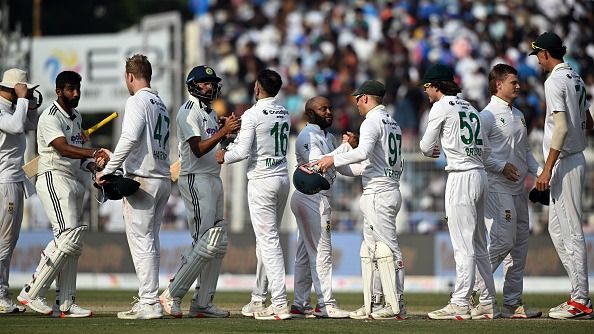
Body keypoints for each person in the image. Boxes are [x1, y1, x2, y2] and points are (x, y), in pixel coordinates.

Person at [18, 71, 110, 317]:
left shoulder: (76, 117)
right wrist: (93, 152)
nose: (76, 93)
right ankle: (31, 292)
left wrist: (94, 166)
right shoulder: (50, 116)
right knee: (67, 238)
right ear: (59, 91)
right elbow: (63, 148)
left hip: (71, 179)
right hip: (52, 176)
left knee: (72, 242)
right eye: (70, 89)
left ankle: (66, 302)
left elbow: (77, 155)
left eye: (78, 88)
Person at [315, 80, 406, 320]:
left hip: (379, 193)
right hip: (385, 188)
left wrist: (333, 160)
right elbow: (366, 165)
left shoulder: (372, 121)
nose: (355, 104)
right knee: (374, 251)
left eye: (357, 99)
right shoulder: (392, 122)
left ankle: (396, 304)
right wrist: (341, 165)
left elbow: (364, 153)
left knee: (389, 251)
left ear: (365, 98)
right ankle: (376, 303)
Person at [159, 65, 240, 318]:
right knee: (204, 242)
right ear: (193, 85)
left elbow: (212, 145)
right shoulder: (187, 111)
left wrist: (226, 134)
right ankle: (172, 294)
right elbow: (197, 149)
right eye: (205, 83)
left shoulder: (210, 112)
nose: (210, 87)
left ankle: (203, 302)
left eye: (212, 82)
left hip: (213, 177)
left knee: (217, 241)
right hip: (195, 179)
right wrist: (223, 132)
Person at [418, 64, 497, 320]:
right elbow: (485, 150)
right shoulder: (470, 107)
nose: (426, 91)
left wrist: (433, 150)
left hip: (460, 178)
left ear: (436, 85)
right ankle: (486, 301)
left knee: (463, 246)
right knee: (478, 245)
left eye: (427, 86)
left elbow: (425, 145)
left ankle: (460, 302)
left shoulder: (440, 107)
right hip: (480, 175)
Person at [97, 54, 172, 320]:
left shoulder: (137, 100)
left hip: (144, 180)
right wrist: (116, 160)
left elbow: (129, 137)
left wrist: (108, 170)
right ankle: (150, 299)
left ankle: (149, 301)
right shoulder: (160, 102)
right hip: (161, 178)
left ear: (130, 76)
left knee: (142, 242)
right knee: (150, 241)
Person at [215, 69, 292, 320]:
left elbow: (241, 153)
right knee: (266, 241)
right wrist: (235, 133)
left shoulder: (253, 113)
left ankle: (279, 302)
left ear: (257, 88)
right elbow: (262, 139)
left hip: (261, 180)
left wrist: (222, 155)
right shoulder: (285, 112)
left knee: (268, 242)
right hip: (281, 178)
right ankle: (259, 298)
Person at [529, 32, 594, 319]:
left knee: (570, 230)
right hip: (572, 157)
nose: (538, 61)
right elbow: (588, 121)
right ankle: (577, 294)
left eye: (538, 55)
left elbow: (562, 127)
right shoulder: (575, 77)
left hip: (565, 161)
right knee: (557, 230)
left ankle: (581, 299)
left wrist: (547, 168)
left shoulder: (554, 80)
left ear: (545, 54)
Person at [474, 64, 542, 318]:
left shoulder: (519, 115)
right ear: (498, 85)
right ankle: (472, 291)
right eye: (513, 82)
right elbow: (479, 153)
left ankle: (512, 303)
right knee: (503, 241)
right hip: (497, 186)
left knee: (520, 247)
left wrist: (542, 172)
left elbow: (524, 152)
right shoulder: (486, 115)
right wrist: (501, 167)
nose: (518, 86)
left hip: (517, 190)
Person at [290, 96, 360, 319]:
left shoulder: (327, 136)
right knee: (322, 252)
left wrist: (364, 165)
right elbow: (319, 164)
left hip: (318, 197)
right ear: (310, 114)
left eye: (330, 108)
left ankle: (300, 303)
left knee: (304, 253)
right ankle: (325, 304)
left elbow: (341, 168)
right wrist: (346, 147)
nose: (329, 112)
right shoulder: (306, 136)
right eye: (323, 109)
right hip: (312, 196)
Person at [0, 68, 39, 313]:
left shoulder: (15, 108)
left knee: (10, 241)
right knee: (4, 241)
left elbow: (30, 125)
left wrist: (31, 103)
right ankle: (1, 295)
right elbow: (15, 127)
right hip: (5, 183)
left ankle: (2, 292)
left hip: (15, 180)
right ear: (14, 88)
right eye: (23, 88)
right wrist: (23, 99)